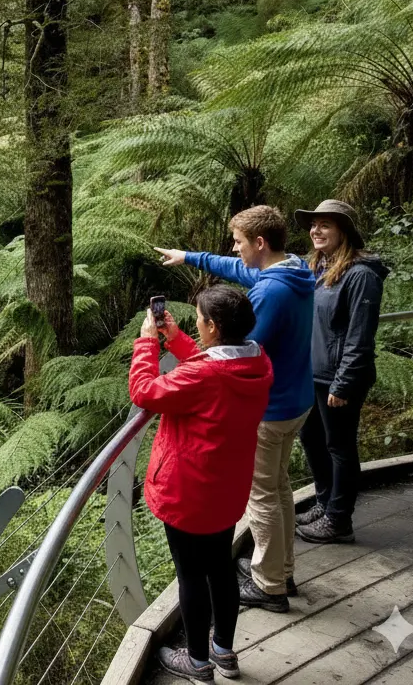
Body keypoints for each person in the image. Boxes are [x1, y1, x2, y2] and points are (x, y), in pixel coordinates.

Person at [154, 205, 315, 613]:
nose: (234, 249)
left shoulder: (269, 292)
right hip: (297, 398)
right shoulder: (295, 271)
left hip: (272, 408)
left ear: (259, 243)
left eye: (239, 242)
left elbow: (233, 354)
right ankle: (283, 569)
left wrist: (179, 348)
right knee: (278, 488)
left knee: (263, 495)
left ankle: (269, 584)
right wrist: (189, 256)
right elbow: (242, 271)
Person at [130, 286, 272, 682]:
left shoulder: (204, 376)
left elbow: (144, 392)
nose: (194, 322)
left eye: (198, 319)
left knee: (190, 574)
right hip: (226, 489)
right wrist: (175, 339)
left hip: (188, 492)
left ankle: (196, 662)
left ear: (212, 326)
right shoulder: (258, 362)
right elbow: (211, 367)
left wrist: (147, 343)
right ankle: (224, 651)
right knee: (220, 569)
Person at [293, 200, 387, 544]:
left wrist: (344, 382)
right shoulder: (318, 268)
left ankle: (338, 519)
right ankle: (323, 501)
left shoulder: (361, 275)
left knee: (340, 446)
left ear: (343, 231)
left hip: (339, 377)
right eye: (313, 225)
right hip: (314, 374)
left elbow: (359, 336)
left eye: (325, 225)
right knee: (312, 439)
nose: (316, 231)